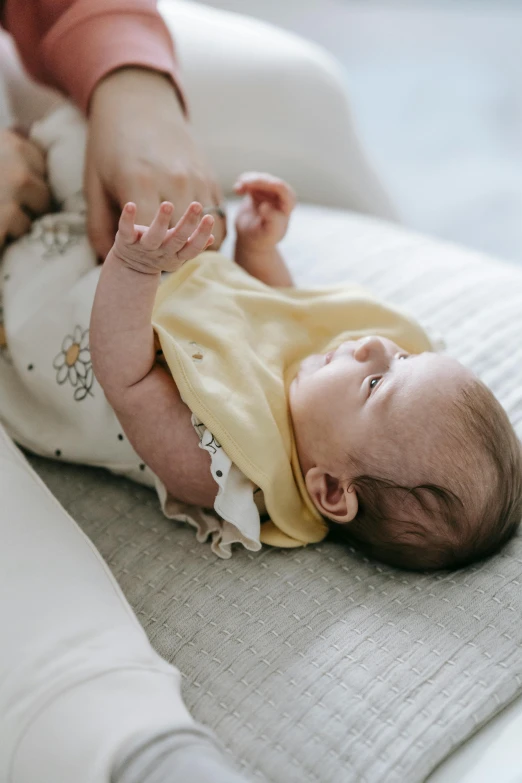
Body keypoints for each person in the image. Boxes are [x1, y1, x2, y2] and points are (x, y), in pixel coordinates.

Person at [90, 174, 522, 571]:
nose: (376, 345)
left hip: (72, 318)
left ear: (332, 490)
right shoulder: (317, 394)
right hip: (142, 260)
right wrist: (258, 248)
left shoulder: (229, 469)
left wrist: (134, 268)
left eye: (375, 384)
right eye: (405, 357)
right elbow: (277, 316)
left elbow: (128, 381)